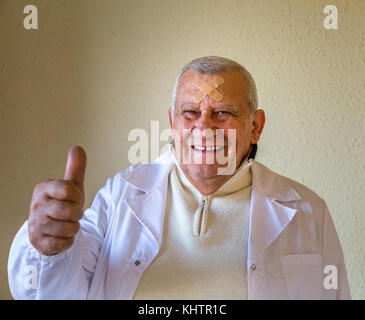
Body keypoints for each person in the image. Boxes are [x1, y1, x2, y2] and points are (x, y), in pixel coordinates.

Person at [8, 56, 351, 299]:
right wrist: (46, 248)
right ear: (172, 124)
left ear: (255, 127)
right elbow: (48, 293)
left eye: (223, 113)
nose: (203, 128)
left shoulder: (307, 211)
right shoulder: (120, 196)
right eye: (190, 113)